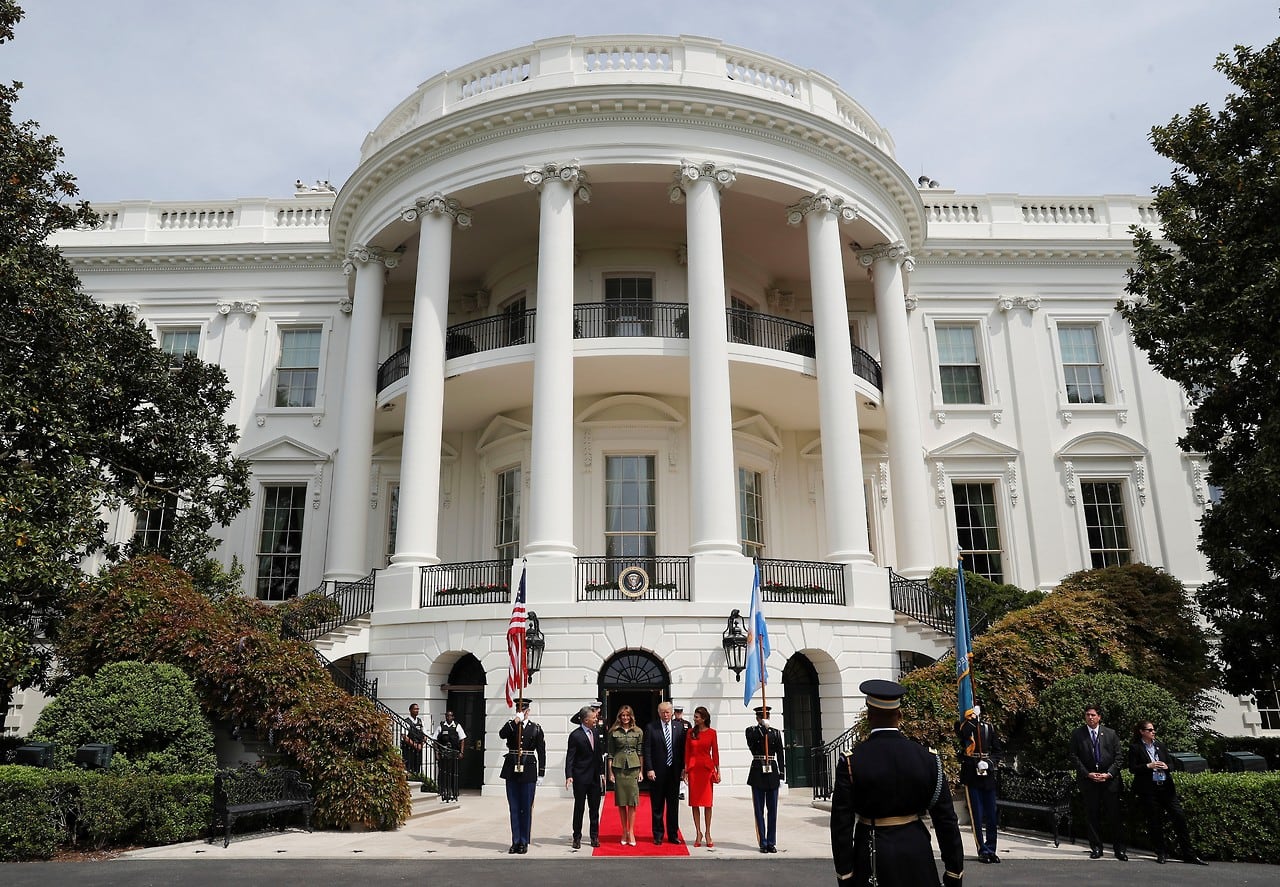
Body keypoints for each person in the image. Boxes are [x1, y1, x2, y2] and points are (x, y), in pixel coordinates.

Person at [830, 679, 964, 887]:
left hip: (873, 855)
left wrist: (845, 874)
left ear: (869, 716)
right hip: (917, 853)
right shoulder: (927, 758)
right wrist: (954, 871)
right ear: (900, 716)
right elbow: (946, 819)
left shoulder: (851, 761)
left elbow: (842, 824)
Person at [1127, 720, 1207, 865]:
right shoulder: (1135, 748)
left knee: (1179, 817)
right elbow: (1132, 768)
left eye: (1153, 730)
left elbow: (1171, 764)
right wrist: (1148, 765)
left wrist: (1166, 766)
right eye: (1150, 730)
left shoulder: (1160, 746)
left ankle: (1189, 853)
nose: (1153, 732)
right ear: (1142, 732)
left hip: (1166, 787)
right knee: (1155, 821)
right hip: (1149, 789)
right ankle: (1161, 852)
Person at [1069, 703, 1127, 861]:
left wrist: (1108, 774)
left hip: (1109, 782)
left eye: (1093, 715)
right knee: (1092, 815)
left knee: (1114, 816)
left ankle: (1119, 849)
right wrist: (1087, 774)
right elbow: (1074, 757)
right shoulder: (1078, 734)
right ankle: (1096, 847)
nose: (1090, 717)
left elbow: (1119, 757)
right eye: (1087, 714)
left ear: (1099, 717)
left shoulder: (1110, 734)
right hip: (1089, 782)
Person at [955, 702, 1003, 863]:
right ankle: (982, 849)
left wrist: (989, 763)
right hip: (971, 774)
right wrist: (972, 720)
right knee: (976, 814)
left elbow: (998, 751)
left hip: (986, 774)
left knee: (991, 814)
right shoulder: (963, 725)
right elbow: (964, 735)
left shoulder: (989, 727)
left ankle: (991, 848)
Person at [499, 699, 546, 854]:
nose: (521, 711)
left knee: (525, 807)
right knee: (514, 807)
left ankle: (524, 841)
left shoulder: (536, 728)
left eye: (523, 709)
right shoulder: (512, 725)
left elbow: (541, 752)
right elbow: (502, 734)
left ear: (528, 710)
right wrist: (515, 721)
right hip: (512, 768)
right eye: (518, 709)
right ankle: (515, 840)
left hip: (528, 770)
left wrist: (541, 773)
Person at [643, 700, 687, 844]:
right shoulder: (651, 727)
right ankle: (658, 834)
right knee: (657, 806)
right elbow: (647, 750)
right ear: (659, 713)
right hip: (657, 772)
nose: (665, 714)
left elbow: (682, 750)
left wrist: (683, 769)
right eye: (663, 712)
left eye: (668, 712)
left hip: (674, 772)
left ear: (672, 712)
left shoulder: (679, 727)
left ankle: (673, 834)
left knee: (673, 806)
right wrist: (649, 768)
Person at [746, 704, 785, 853]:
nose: (765, 719)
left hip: (772, 771)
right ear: (757, 718)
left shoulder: (775, 733)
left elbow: (780, 753)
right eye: (762, 717)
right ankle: (762, 841)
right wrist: (763, 729)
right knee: (759, 810)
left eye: (767, 716)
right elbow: (752, 742)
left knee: (773, 810)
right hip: (758, 770)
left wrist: (782, 774)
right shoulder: (752, 731)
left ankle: (771, 841)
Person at [565, 705, 605, 849]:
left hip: (594, 777)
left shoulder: (595, 732)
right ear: (586, 720)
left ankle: (594, 836)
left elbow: (598, 754)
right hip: (581, 777)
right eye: (594, 717)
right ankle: (577, 836)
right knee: (579, 808)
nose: (596, 719)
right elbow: (570, 757)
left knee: (594, 809)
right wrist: (569, 775)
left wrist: (601, 772)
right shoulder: (575, 735)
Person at [607, 704, 644, 846]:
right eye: (623, 715)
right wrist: (610, 772)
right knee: (622, 802)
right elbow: (610, 754)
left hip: (634, 768)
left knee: (632, 802)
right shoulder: (613, 732)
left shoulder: (638, 731)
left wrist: (641, 770)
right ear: (619, 717)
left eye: (627, 715)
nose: (625, 718)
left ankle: (631, 831)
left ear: (631, 716)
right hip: (619, 768)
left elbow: (640, 752)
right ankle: (624, 831)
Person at [683, 704, 720, 848]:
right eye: (694, 716)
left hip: (706, 770)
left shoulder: (712, 733)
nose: (694, 719)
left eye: (697, 717)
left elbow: (715, 752)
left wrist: (718, 770)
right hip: (693, 770)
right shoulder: (691, 732)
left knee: (707, 803)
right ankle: (698, 832)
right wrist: (685, 770)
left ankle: (708, 832)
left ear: (704, 718)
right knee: (695, 803)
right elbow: (687, 752)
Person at [435, 709, 466, 802]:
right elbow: (435, 739)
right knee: (443, 773)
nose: (449, 717)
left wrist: (461, 752)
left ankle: (454, 791)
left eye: (450, 716)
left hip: (453, 754)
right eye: (447, 716)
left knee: (453, 773)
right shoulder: (441, 726)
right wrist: (437, 753)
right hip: (443, 754)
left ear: (453, 717)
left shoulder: (457, 726)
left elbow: (462, 739)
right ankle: (442, 790)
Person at [402, 703, 425, 775]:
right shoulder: (406, 721)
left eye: (418, 709)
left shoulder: (421, 721)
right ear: (410, 710)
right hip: (409, 749)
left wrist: (421, 745)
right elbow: (404, 736)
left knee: (417, 767)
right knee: (408, 767)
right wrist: (414, 745)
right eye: (415, 709)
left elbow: (425, 735)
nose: (417, 711)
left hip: (418, 749)